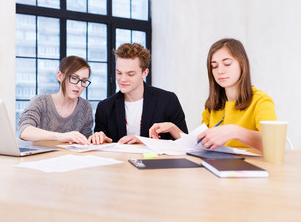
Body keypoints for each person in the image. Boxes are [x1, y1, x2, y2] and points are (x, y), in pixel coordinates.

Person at [149, 38, 277, 151]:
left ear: (242, 64)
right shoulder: (213, 105)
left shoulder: (261, 101)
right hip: (216, 169)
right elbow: (197, 143)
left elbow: (273, 143)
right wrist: (173, 128)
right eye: (214, 66)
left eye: (227, 64)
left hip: (249, 170)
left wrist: (234, 131)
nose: (220, 71)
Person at [88, 43, 188, 145]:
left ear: (144, 73)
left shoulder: (168, 101)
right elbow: (101, 146)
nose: (122, 79)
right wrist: (98, 138)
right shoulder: (105, 107)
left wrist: (170, 129)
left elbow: (185, 144)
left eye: (130, 74)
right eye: (119, 73)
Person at [18, 55, 93, 145]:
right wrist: (60, 136)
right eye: (74, 78)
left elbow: (86, 139)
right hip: (42, 157)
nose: (79, 85)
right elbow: (24, 131)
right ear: (60, 76)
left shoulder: (85, 107)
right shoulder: (40, 102)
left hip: (70, 157)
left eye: (84, 81)